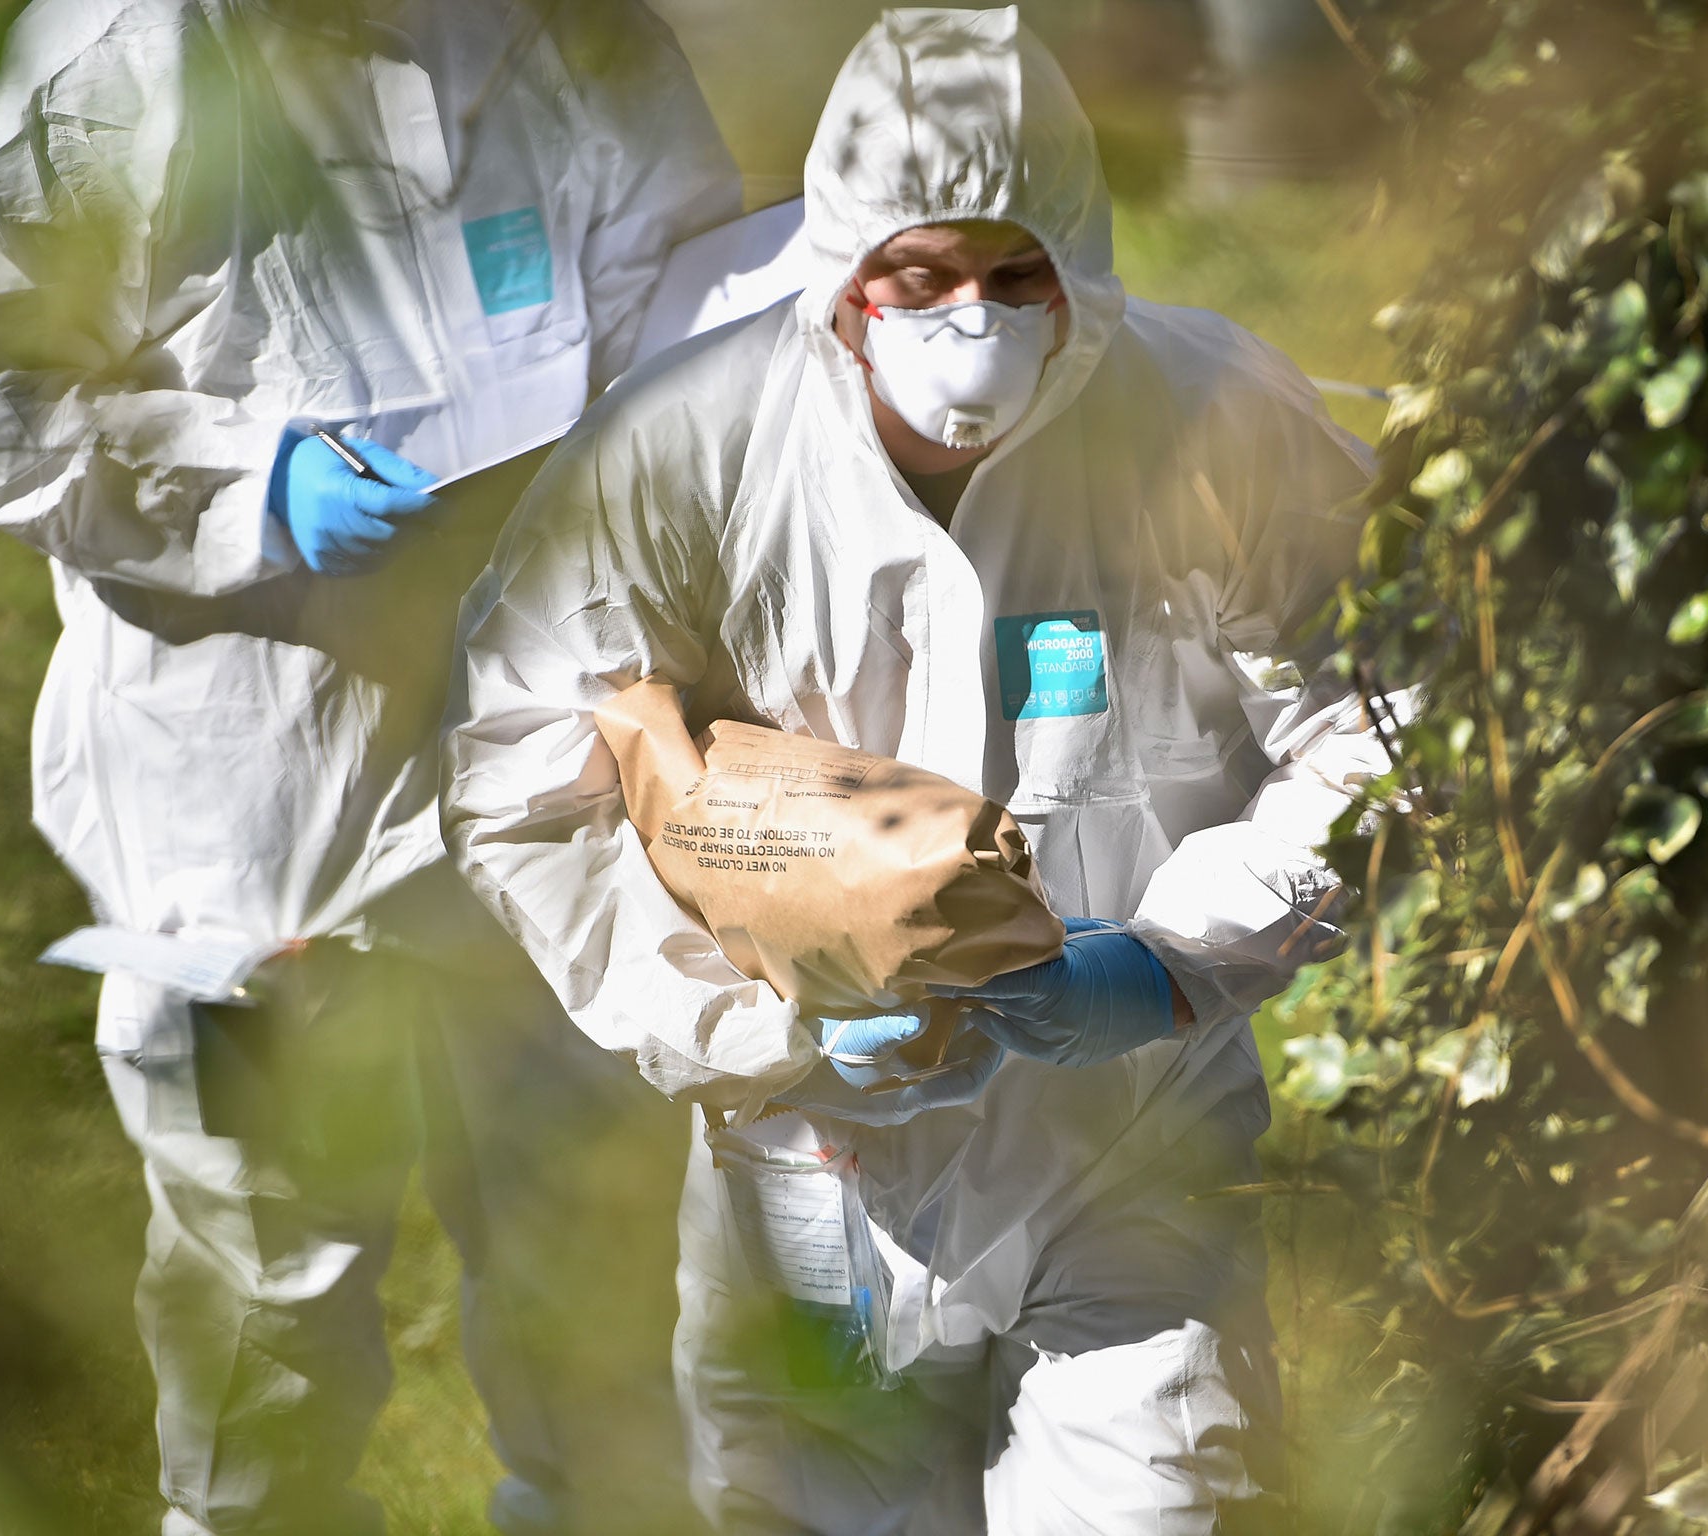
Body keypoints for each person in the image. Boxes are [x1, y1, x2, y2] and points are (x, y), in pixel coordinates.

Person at [443, 7, 1383, 1532]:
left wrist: (1166, 966)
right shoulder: (689, 444)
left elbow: (1388, 722)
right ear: (846, 271)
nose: (973, 321)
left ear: (1080, 260)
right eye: (923, 276)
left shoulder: (1206, 418)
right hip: (809, 1167)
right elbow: (521, 772)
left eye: (1018, 276)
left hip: (1128, 1141)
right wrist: (746, 1024)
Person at [0, 1, 740, 1532]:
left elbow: (687, 305)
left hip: (549, 763)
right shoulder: (118, 54)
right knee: (264, 1283)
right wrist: (247, 483)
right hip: (258, 795)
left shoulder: (569, 27)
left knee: (595, 1259)